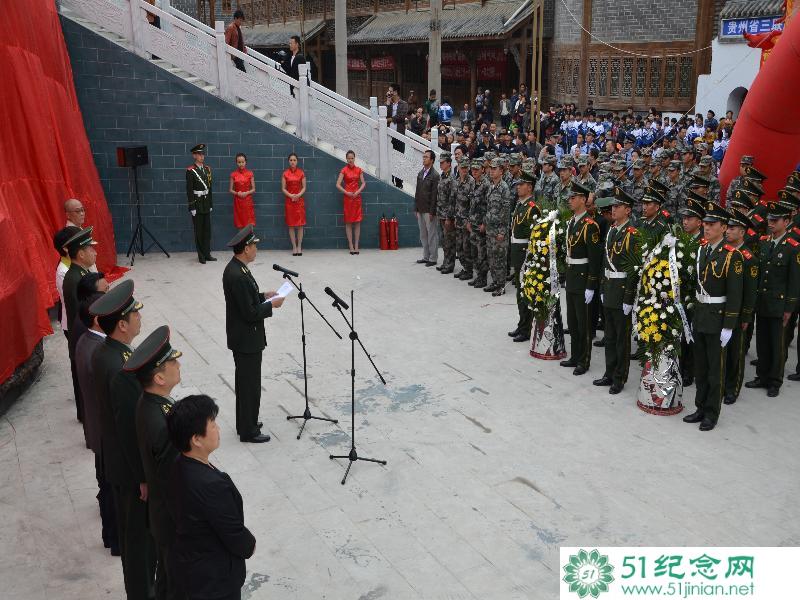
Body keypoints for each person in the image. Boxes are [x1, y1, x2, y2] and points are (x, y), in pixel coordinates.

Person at [90, 280, 156, 600]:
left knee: (137, 541)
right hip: (130, 472)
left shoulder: (109, 353)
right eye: (135, 315)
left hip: (118, 464)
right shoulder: (121, 367)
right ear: (122, 325)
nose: (140, 319)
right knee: (139, 545)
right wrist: (143, 478)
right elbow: (129, 428)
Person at [167, 395, 256, 600]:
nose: (218, 429)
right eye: (212, 424)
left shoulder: (179, 464)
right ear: (196, 439)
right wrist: (250, 544)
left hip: (190, 568)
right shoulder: (211, 485)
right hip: (214, 581)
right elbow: (234, 534)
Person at [125, 326, 184, 600]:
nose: (178, 364)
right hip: (172, 521)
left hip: (162, 517)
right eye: (172, 361)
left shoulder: (152, 404)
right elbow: (175, 480)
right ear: (159, 377)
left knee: (166, 581)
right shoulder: (159, 421)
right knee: (176, 584)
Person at [682, 201, 743, 432]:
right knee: (701, 367)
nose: (707, 228)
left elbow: (735, 295)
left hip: (718, 318)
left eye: (712, 224)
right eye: (705, 224)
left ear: (723, 226)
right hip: (701, 314)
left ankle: (711, 412)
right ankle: (700, 406)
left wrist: (729, 325)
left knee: (715, 371)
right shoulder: (702, 250)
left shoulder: (731, 256)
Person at [222, 225, 285, 443]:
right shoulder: (237, 275)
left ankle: (247, 421)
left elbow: (247, 299)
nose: (256, 250)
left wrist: (263, 295)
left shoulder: (238, 269)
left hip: (245, 337)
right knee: (249, 385)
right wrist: (271, 305)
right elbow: (249, 313)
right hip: (246, 339)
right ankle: (248, 431)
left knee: (248, 383)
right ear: (246, 249)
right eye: (254, 246)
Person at [74, 287, 119, 556]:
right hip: (106, 433)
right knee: (111, 491)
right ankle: (115, 540)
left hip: (97, 430)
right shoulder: (99, 351)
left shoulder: (86, 341)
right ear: (96, 319)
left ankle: (110, 536)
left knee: (106, 486)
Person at [745, 201, 800, 397]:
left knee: (777, 344)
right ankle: (762, 375)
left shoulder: (793, 247)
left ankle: (775, 381)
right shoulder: (766, 242)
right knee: (762, 341)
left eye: (775, 220)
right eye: (769, 220)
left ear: (787, 221)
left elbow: (794, 281)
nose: (771, 223)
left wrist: (789, 308)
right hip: (763, 301)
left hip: (779, 303)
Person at [593, 187, 638, 394]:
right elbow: (604, 262)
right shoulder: (612, 229)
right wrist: (602, 286)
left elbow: (633, 269)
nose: (613, 209)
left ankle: (620, 377)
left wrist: (629, 297)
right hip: (609, 287)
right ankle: (609, 372)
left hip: (621, 291)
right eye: (613, 206)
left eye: (618, 206)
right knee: (610, 336)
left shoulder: (633, 234)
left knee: (621, 338)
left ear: (627, 210)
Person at [560, 181, 602, 376]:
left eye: (573, 197)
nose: (570, 200)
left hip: (583, 277)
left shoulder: (590, 226)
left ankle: (584, 360)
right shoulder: (572, 222)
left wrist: (591, 285)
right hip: (572, 276)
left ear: (584, 200)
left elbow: (594, 259)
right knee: (573, 321)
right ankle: (575, 355)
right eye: (570, 197)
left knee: (583, 323)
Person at [62, 227, 99, 423]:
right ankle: (87, 420)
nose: (95, 252)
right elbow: (84, 314)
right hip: (82, 337)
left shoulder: (79, 273)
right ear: (81, 253)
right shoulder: (76, 278)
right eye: (91, 249)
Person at [723, 210, 759, 405]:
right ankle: (722, 383)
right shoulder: (725, 252)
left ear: (743, 232)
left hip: (738, 313)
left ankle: (733, 388)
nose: (728, 231)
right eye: (727, 227)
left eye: (733, 228)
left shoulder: (748, 258)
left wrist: (746, 317)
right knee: (723, 351)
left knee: (736, 352)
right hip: (722, 308)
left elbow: (750, 292)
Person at [508, 171, 540, 342]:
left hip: (524, 254)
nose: (518, 187)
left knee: (525, 293)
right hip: (516, 251)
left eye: (521, 184)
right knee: (520, 292)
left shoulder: (532, 208)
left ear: (530, 187)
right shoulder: (520, 205)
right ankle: (522, 324)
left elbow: (535, 236)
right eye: (518, 184)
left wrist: (529, 257)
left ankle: (526, 328)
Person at [483, 158, 512, 295]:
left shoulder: (504, 188)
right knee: (491, 257)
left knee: (500, 259)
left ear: (501, 171)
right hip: (490, 229)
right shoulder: (490, 186)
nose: (491, 171)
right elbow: (488, 208)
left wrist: (502, 231)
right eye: (491, 168)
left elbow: (505, 212)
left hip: (499, 231)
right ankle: (495, 282)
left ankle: (501, 285)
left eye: (494, 169)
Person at [186, 144, 215, 264]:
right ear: (194, 155)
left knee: (207, 230)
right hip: (197, 204)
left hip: (206, 203)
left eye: (203, 154)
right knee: (199, 231)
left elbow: (210, 188)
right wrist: (192, 206)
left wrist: (211, 203)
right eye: (199, 154)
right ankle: (201, 255)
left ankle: (207, 253)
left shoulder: (207, 169)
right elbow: (189, 190)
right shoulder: (191, 171)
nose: (202, 156)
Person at [335, 150, 365, 254]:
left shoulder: (359, 170)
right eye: (349, 158)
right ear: (346, 159)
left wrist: (357, 192)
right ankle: (350, 246)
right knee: (348, 222)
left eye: (352, 158)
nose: (350, 160)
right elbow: (338, 184)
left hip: (357, 198)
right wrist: (346, 192)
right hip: (348, 198)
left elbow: (363, 183)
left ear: (354, 158)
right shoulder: (343, 170)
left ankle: (356, 245)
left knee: (357, 222)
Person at [414, 150, 440, 266]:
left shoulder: (435, 175)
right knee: (423, 234)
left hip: (429, 210)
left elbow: (435, 195)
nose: (424, 158)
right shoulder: (420, 173)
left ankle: (433, 258)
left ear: (432, 160)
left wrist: (432, 211)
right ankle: (426, 256)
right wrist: (416, 208)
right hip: (420, 209)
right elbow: (417, 192)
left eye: (426, 157)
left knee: (432, 234)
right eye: (423, 156)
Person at [54, 225, 81, 336]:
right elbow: (75, 301)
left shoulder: (77, 263)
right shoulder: (63, 272)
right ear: (66, 248)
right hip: (75, 324)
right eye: (79, 242)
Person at [453, 157, 475, 281]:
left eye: (467, 168)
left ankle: (469, 270)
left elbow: (472, 203)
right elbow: (456, 201)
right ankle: (465, 267)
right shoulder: (457, 181)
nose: (464, 170)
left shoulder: (471, 182)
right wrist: (455, 217)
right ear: (459, 168)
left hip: (466, 219)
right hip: (459, 218)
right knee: (459, 246)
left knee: (467, 247)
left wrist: (469, 220)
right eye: (462, 167)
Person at [281, 153, 307, 255]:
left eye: (294, 160)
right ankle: (294, 247)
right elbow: (283, 188)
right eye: (291, 160)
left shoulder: (301, 173)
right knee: (291, 225)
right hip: (289, 202)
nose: (292, 162)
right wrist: (291, 196)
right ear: (288, 161)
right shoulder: (285, 173)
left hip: (299, 201)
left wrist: (298, 195)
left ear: (297, 161)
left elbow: (304, 187)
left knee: (300, 225)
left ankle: (299, 246)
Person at [436, 153, 457, 274]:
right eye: (440, 162)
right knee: (444, 241)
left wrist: (449, 217)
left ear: (449, 163)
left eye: (443, 162)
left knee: (449, 241)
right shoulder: (442, 176)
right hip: (441, 213)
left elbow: (452, 199)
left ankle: (450, 264)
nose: (441, 164)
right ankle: (445, 262)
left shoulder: (451, 178)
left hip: (447, 215)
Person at [387, 83, 409, 188]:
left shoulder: (403, 104)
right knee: (389, 158)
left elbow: (401, 117)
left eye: (390, 91)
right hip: (388, 136)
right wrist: (387, 102)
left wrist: (390, 119)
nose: (389, 93)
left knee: (399, 159)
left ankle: (399, 182)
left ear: (395, 92)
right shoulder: (389, 104)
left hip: (399, 135)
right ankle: (390, 179)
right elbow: (384, 114)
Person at [229, 153, 255, 228]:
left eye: (243, 162)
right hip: (238, 201)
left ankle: (250, 239)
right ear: (236, 163)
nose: (241, 164)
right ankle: (242, 240)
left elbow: (253, 189)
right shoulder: (233, 174)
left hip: (248, 201)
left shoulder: (250, 174)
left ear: (245, 162)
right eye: (239, 162)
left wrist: (247, 193)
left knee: (249, 223)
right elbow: (230, 190)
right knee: (239, 223)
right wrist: (237, 193)